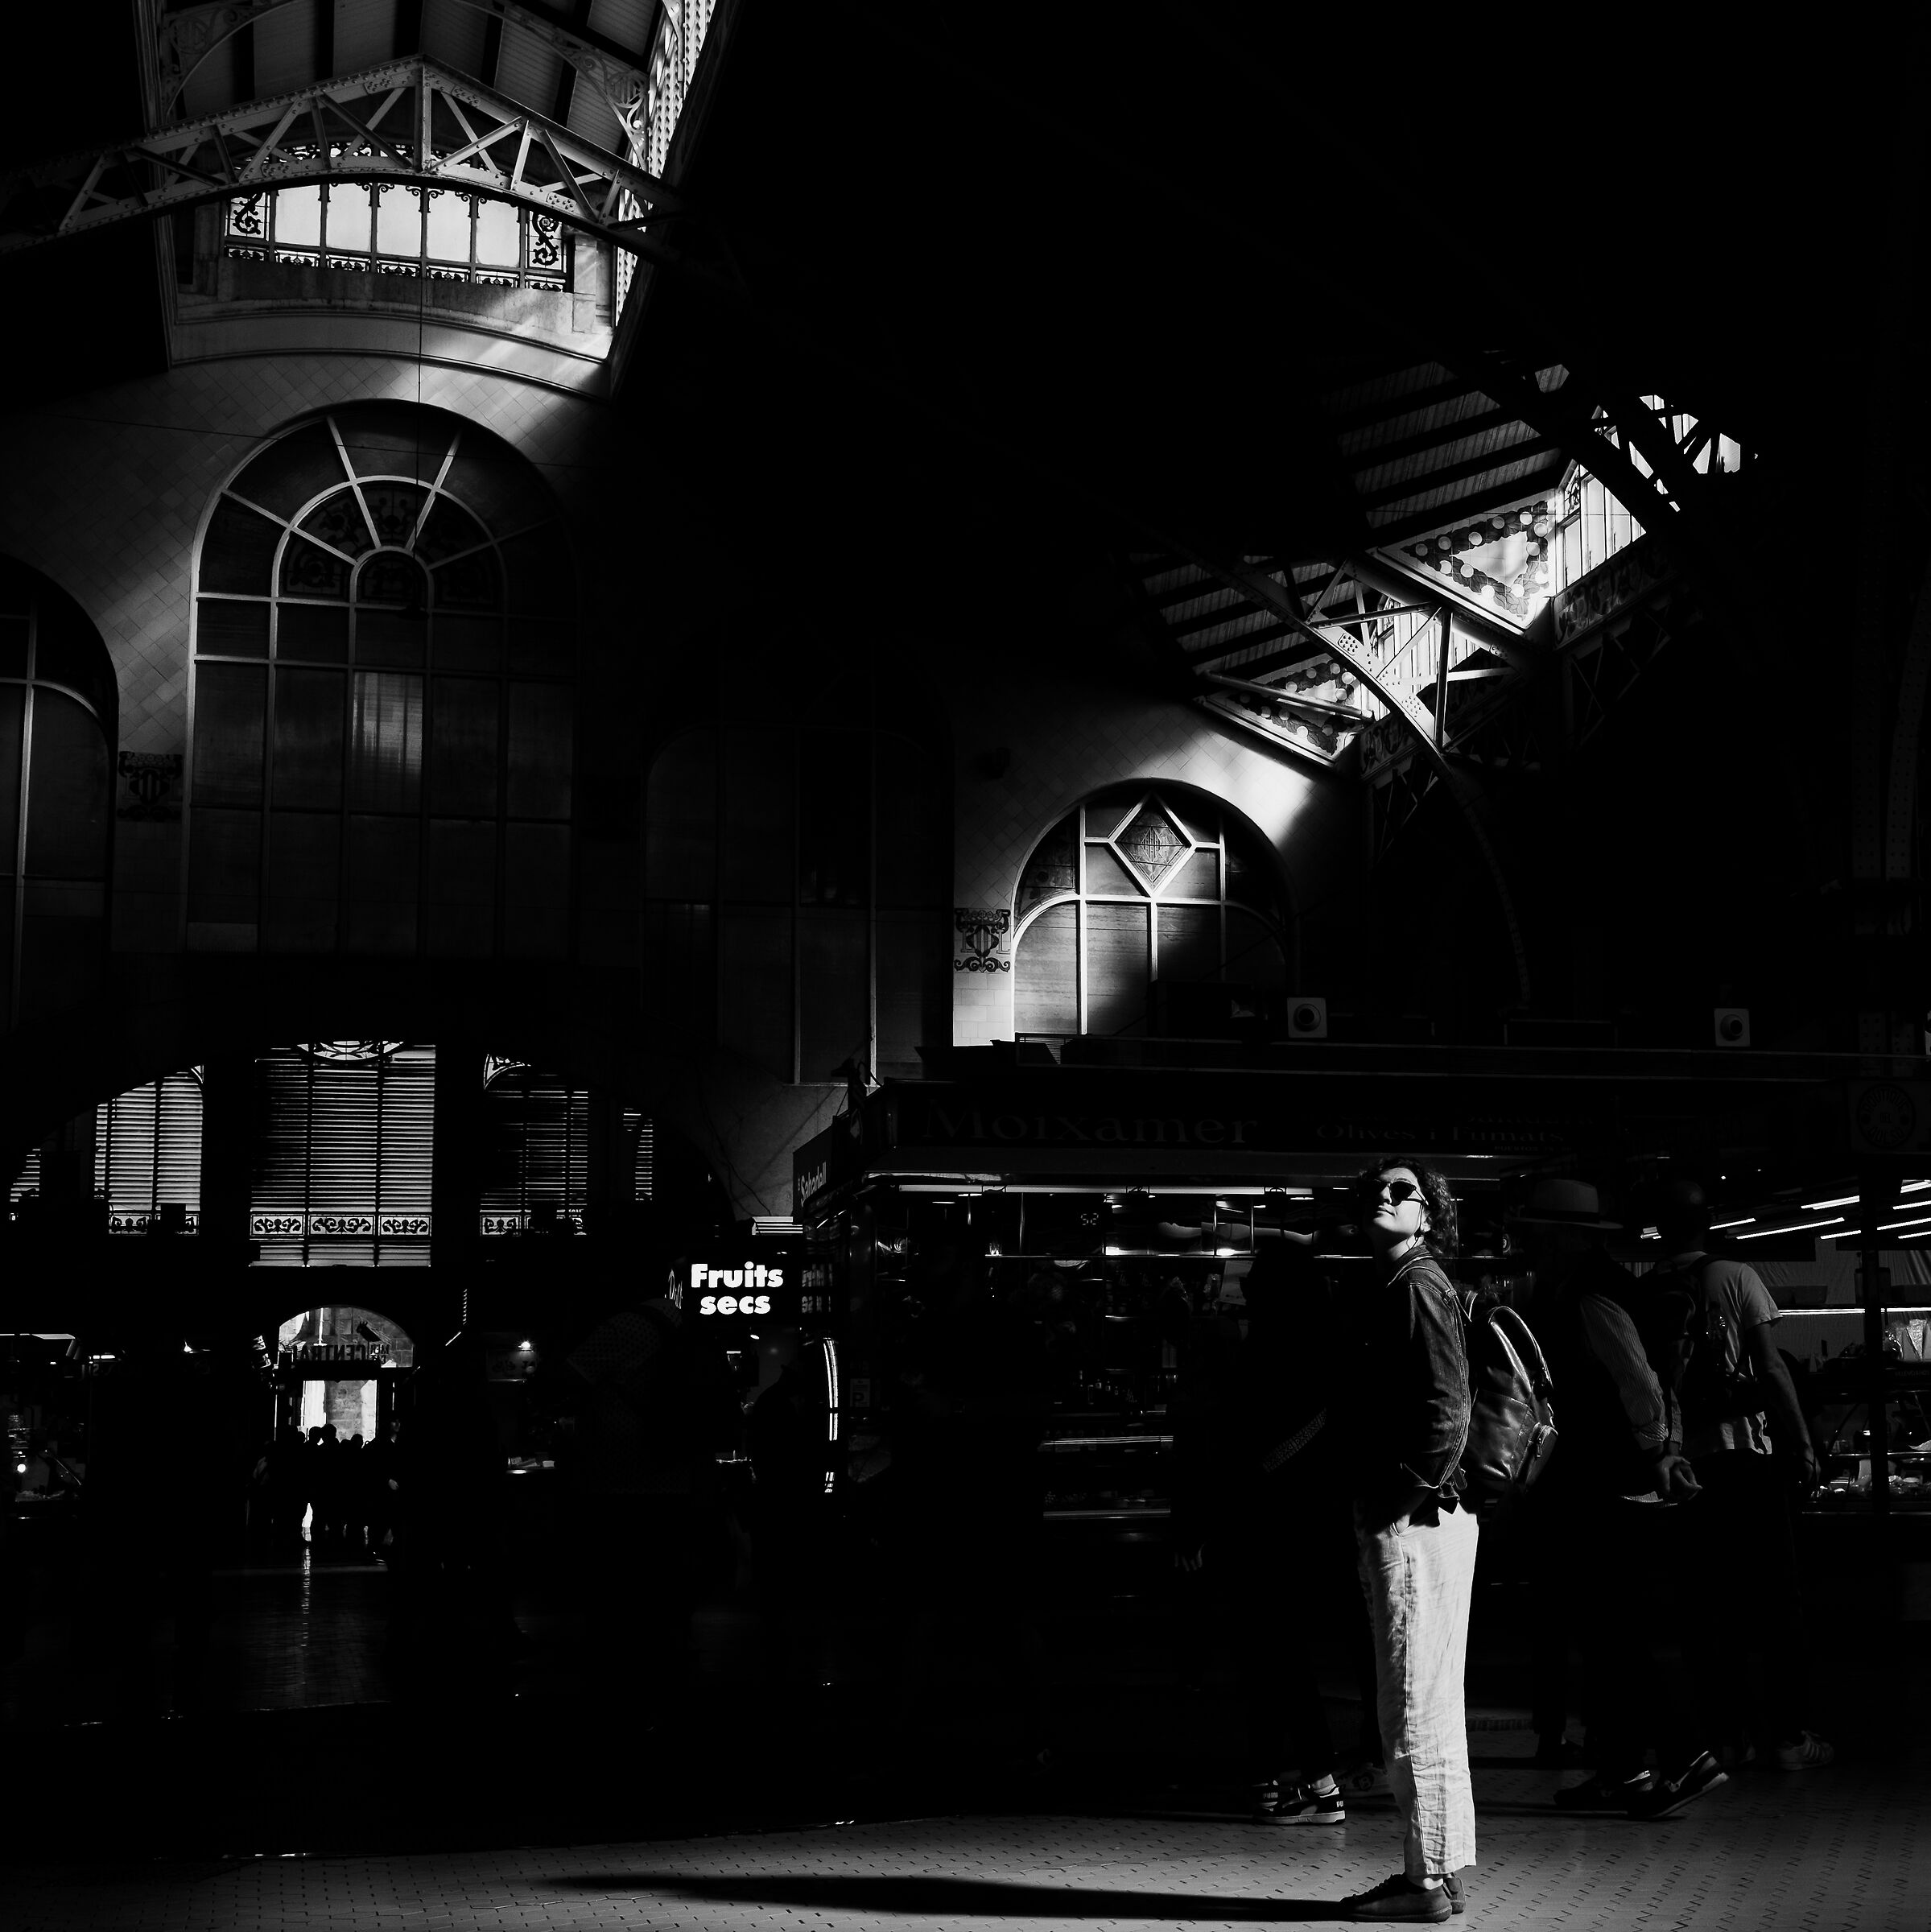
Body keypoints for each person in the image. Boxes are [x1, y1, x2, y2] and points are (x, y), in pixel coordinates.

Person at [1510, 1177, 1725, 1819]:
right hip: (1599, 1483)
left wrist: (1660, 1454)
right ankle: (1624, 1767)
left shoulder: (1591, 1297)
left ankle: (1687, 1757)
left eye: (1538, 1235)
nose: (1528, 1246)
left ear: (1568, 1239)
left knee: (1615, 1629)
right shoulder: (1580, 1288)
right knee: (1604, 1631)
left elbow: (1639, 1384)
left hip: (1604, 1487)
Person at [1170, 1227, 1380, 1826]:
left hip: (1264, 1520)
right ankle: (1290, 1778)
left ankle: (1307, 1779)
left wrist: (1199, 1520)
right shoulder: (1331, 1346)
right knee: (1284, 1651)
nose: (1249, 1286)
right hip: (1318, 1519)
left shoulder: (1262, 1350)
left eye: (1259, 1276)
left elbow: (1230, 1440)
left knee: (1268, 1653)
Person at [1649, 1178, 1834, 1772]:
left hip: (1682, 1471)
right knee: (1778, 1601)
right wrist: (1802, 1445)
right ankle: (1786, 1737)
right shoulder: (1736, 1277)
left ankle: (1722, 1735)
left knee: (1705, 1607)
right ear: (1709, 1222)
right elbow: (1771, 1368)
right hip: (1746, 1463)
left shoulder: (1648, 1288)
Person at [1335, 1158, 1476, 1925]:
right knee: (1430, 1700)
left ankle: (1424, 1884)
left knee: (1410, 1704)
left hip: (1417, 1518)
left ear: (1427, 1214)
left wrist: (1393, 1500)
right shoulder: (1407, 1282)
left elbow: (1447, 1411)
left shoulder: (1416, 1285)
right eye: (1376, 1190)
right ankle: (1441, 1870)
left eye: (1404, 1191)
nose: (1385, 1198)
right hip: (1431, 1516)